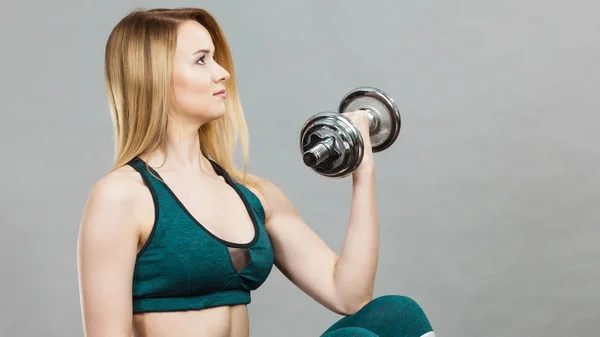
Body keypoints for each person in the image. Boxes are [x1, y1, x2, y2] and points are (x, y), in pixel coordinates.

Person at [76, 7, 436, 337]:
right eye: (201, 60)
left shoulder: (252, 195)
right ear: (152, 76)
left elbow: (350, 295)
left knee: (396, 315)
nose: (223, 73)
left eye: (215, 58)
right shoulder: (122, 196)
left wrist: (363, 169)